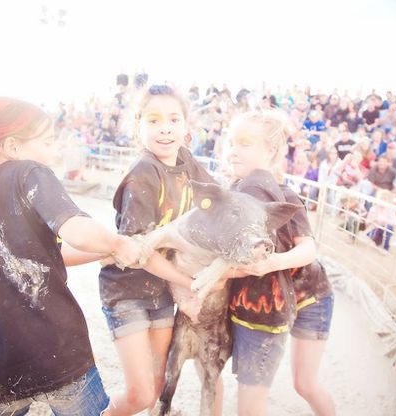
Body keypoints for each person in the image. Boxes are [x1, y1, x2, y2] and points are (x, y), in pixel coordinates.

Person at [0, 97, 144, 416]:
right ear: (13, 146)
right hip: (58, 353)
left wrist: (101, 251)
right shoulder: (29, 172)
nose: (54, 150)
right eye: (48, 141)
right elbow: (77, 230)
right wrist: (119, 244)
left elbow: (38, 257)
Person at [97, 85, 216, 416]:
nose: (165, 128)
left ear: (186, 126)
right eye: (154, 120)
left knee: (159, 382)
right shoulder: (143, 173)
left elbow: (216, 197)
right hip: (127, 289)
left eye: (174, 119)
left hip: (161, 290)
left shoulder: (187, 161)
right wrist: (186, 282)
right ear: (139, 126)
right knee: (141, 396)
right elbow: (138, 252)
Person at [223, 110, 334, 415]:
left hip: (311, 296)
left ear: (270, 151)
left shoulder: (286, 196)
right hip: (265, 300)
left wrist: (273, 263)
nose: (233, 150)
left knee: (305, 384)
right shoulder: (231, 194)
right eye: (231, 142)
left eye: (245, 143)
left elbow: (308, 249)